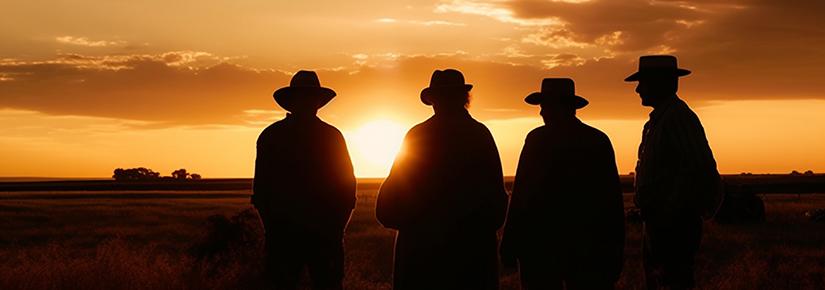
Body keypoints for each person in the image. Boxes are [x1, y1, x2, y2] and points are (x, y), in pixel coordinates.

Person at [376, 69, 508, 290]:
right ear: (464, 99)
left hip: (422, 255)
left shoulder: (418, 136)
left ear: (433, 100)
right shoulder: (480, 135)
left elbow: (388, 204)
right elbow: (496, 201)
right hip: (471, 256)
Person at [500, 78, 625, 290]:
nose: (541, 113)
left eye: (544, 106)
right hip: (587, 248)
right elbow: (612, 202)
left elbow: (520, 195)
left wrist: (509, 243)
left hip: (541, 248)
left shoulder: (537, 140)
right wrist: (615, 251)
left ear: (558, 106)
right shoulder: (597, 140)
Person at [252, 70, 356, 290]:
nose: (308, 102)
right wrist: (336, 230)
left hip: (299, 235)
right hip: (304, 235)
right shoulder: (329, 136)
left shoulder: (272, 135)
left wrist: (273, 230)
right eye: (304, 97)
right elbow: (261, 193)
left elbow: (348, 191)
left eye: (310, 97)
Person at [625, 55, 723, 290]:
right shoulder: (659, 122)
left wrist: (674, 211)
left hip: (672, 227)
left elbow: (701, 170)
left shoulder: (678, 119)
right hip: (660, 224)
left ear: (660, 83)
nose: (638, 89)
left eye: (643, 82)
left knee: (671, 282)